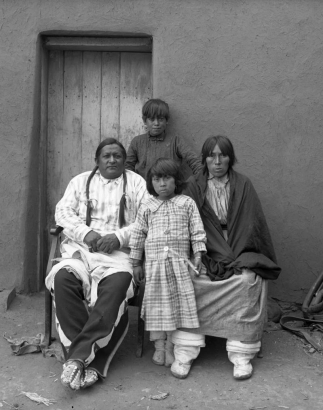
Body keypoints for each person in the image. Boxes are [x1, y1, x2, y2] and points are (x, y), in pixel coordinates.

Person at [170, 135, 281, 380]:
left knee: (246, 281)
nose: (217, 161)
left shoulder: (243, 185)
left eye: (223, 155)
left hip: (240, 248)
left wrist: (235, 253)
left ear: (231, 158)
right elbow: (183, 225)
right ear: (205, 159)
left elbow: (253, 225)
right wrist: (198, 252)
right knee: (191, 278)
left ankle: (240, 353)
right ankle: (186, 349)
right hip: (204, 249)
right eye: (212, 155)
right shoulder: (193, 185)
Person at [45, 138, 147, 390]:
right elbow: (63, 212)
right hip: (81, 250)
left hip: (118, 254)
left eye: (117, 156)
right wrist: (85, 233)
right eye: (106, 156)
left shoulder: (137, 183)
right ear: (97, 160)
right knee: (62, 279)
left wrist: (119, 237)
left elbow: (147, 217)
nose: (112, 160)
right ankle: (91, 361)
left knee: (118, 286)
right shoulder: (80, 181)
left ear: (125, 160)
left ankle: (78, 357)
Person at [129, 158, 207, 378]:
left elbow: (197, 231)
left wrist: (198, 253)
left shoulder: (186, 203)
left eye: (166, 178)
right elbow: (137, 234)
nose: (161, 184)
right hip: (154, 267)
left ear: (177, 180)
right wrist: (136, 262)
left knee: (175, 306)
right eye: (156, 179)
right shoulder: (147, 205)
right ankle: (159, 345)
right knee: (157, 307)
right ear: (150, 182)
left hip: (179, 266)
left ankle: (173, 345)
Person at [125, 99, 203, 179]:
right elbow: (128, 167)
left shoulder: (176, 140)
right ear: (145, 121)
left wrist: (200, 180)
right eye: (152, 119)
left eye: (161, 119)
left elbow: (193, 160)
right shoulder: (137, 142)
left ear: (167, 121)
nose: (156, 123)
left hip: (172, 189)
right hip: (144, 189)